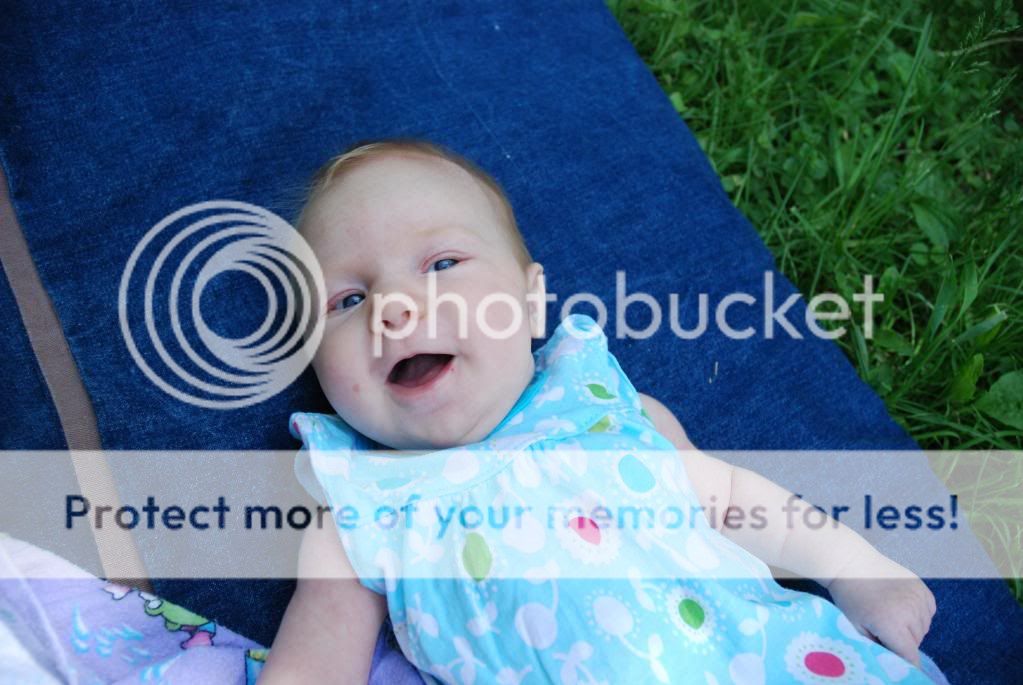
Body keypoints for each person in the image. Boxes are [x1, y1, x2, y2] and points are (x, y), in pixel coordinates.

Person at [259, 139, 947, 684]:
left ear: (531, 303)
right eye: (347, 300)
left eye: (441, 264)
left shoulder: (607, 411)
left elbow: (734, 501)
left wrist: (854, 568)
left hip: (770, 660)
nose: (395, 308)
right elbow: (316, 661)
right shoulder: (358, 515)